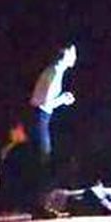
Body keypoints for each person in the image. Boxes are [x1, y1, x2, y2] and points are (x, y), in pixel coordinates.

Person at [28, 44, 78, 181]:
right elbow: (45, 103)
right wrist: (63, 99)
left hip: (40, 116)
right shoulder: (54, 72)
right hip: (39, 116)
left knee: (43, 155)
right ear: (65, 54)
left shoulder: (56, 71)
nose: (75, 57)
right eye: (73, 53)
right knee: (43, 156)